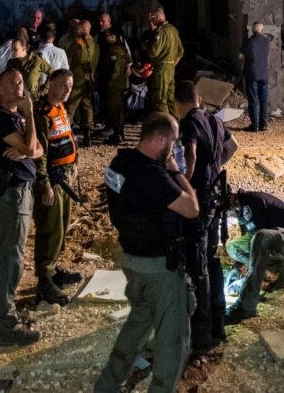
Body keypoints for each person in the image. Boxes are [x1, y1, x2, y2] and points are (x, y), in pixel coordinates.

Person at [95, 113, 199, 393]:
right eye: (173, 142)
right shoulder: (153, 175)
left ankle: (107, 385)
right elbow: (192, 208)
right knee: (172, 341)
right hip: (159, 269)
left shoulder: (119, 163)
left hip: (132, 261)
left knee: (138, 325)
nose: (174, 149)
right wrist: (176, 170)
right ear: (161, 139)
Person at [174, 80, 239, 354]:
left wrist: (182, 183)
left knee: (198, 268)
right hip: (215, 200)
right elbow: (233, 146)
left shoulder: (188, 124)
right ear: (199, 99)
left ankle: (201, 338)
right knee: (212, 261)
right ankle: (219, 323)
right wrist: (213, 168)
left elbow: (189, 156)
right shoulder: (214, 120)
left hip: (198, 203)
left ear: (179, 103)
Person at [0, 69, 44, 347]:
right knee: (10, 257)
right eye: (11, 82)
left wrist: (26, 149)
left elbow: (39, 149)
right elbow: (32, 147)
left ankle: (4, 313)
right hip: (12, 195)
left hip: (23, 192)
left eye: (20, 82)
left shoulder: (15, 118)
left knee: (14, 254)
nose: (18, 87)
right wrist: (30, 113)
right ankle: (5, 323)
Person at [226, 190, 284, 323]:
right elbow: (249, 242)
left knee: (261, 237)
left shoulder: (251, 204)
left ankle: (246, 306)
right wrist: (238, 268)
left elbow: (259, 240)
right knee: (233, 247)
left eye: (228, 212)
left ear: (233, 201)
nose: (230, 215)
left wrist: (251, 278)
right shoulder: (244, 206)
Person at [32, 69, 82, 305]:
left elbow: (69, 138)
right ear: (50, 84)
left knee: (62, 228)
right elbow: (39, 153)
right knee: (49, 231)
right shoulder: (42, 113)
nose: (66, 90)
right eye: (62, 85)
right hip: (52, 180)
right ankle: (44, 281)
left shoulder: (61, 109)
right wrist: (44, 185)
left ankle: (54, 270)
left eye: (70, 86)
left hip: (65, 176)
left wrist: (74, 165)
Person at [66, 19, 100, 145]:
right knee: (87, 105)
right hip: (90, 79)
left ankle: (67, 135)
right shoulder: (95, 44)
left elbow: (67, 57)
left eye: (79, 28)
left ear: (85, 28)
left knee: (71, 106)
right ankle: (88, 136)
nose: (76, 30)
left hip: (77, 78)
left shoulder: (77, 42)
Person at [147, 8, 184, 115]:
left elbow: (154, 52)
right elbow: (181, 52)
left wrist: (146, 46)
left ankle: (165, 125)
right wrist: (172, 64)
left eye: (152, 18)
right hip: (171, 69)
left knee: (160, 99)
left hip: (161, 70)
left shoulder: (160, 31)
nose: (151, 21)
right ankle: (176, 124)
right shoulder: (173, 29)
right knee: (170, 99)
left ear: (158, 17)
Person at [238, 22, 271, 132]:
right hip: (264, 75)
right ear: (262, 30)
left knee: (253, 100)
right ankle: (264, 124)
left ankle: (255, 125)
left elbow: (240, 56)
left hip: (252, 75)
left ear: (252, 30)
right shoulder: (266, 41)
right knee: (263, 100)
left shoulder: (249, 42)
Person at [101, 29, 131, 145]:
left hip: (114, 85)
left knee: (115, 110)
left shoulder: (114, 50)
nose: (106, 38)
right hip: (121, 84)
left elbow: (115, 70)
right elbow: (129, 60)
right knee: (119, 109)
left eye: (109, 36)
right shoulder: (122, 48)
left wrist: (109, 83)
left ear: (115, 36)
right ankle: (119, 133)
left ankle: (118, 135)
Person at [1, 38, 52, 102]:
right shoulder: (11, 62)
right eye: (12, 49)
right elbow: (7, 79)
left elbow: (52, 72)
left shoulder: (36, 61)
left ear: (24, 48)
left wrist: (44, 90)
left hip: (33, 100)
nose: (13, 51)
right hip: (16, 99)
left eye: (15, 49)